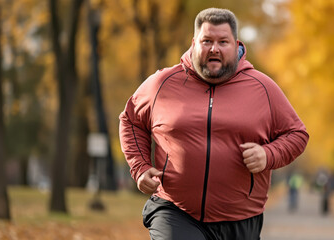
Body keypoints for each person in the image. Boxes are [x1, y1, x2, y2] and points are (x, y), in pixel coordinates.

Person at [119, 8, 309, 240]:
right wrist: (140, 167)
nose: (214, 48)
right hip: (175, 210)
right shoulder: (163, 83)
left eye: (223, 42)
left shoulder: (263, 88)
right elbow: (131, 120)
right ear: (194, 43)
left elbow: (297, 134)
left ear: (236, 44)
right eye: (206, 41)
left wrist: (268, 155)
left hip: (240, 218)